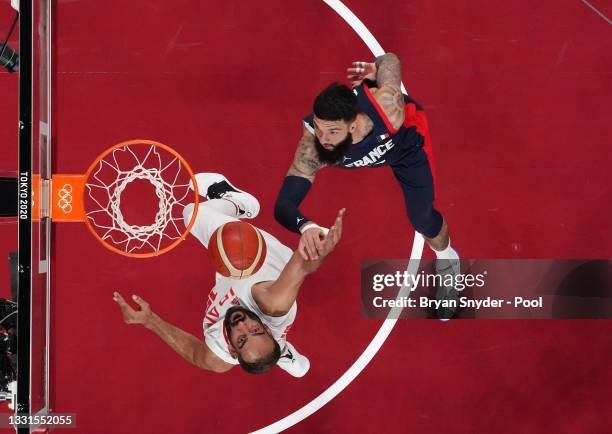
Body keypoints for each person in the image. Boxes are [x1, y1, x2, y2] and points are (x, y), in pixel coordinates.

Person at [273, 53, 460, 319]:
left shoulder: (387, 112)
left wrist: (379, 69)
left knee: (422, 218)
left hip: (407, 145)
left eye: (333, 132)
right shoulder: (313, 145)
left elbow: (391, 60)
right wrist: (306, 226)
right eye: (319, 127)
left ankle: (448, 259)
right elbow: (284, 204)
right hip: (378, 149)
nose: (323, 139)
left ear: (354, 124)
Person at [114, 173, 345, 376]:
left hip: (228, 276)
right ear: (266, 328)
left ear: (233, 351)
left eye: (242, 338)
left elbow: (196, 355)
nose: (243, 325)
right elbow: (301, 267)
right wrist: (315, 242)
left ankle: (281, 353)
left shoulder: (219, 355)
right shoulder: (271, 305)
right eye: (256, 330)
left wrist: (149, 320)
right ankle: (239, 203)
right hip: (257, 255)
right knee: (192, 212)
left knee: (275, 354)